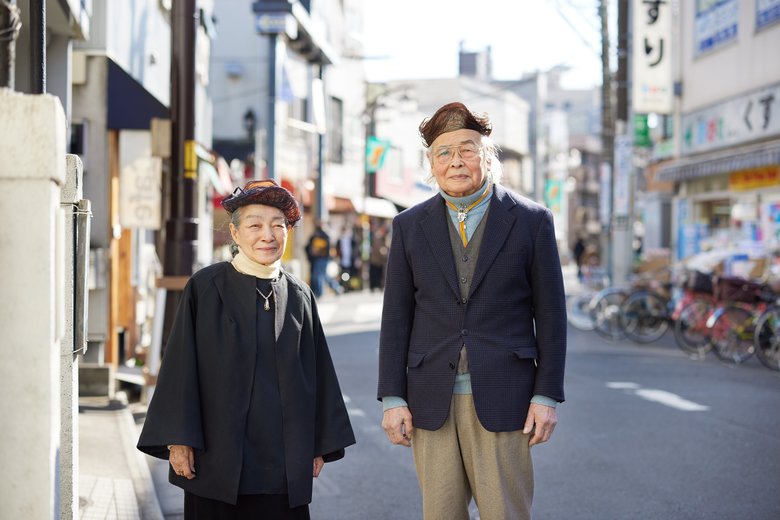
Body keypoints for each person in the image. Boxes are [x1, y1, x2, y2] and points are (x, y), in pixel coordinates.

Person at [377, 102, 567, 520]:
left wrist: (546, 394)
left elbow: (551, 315)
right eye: (444, 153)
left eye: (467, 149)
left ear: (486, 156)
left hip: (507, 396)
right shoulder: (409, 225)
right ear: (431, 164)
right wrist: (392, 397)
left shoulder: (531, 221)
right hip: (431, 397)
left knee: (506, 513)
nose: (456, 161)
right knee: (441, 513)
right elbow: (396, 318)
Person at [137, 179, 355, 519]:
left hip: (282, 464)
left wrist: (318, 444)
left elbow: (318, 373)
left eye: (277, 226)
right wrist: (178, 439)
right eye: (255, 225)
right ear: (235, 234)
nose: (267, 236)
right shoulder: (205, 287)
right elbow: (180, 367)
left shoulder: (300, 295)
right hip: (216, 457)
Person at [305, 220, 332, 298]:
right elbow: (308, 247)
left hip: (322, 258)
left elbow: (327, 248)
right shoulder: (314, 236)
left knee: (318, 276)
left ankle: (320, 292)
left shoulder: (324, 236)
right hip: (317, 259)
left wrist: (318, 251)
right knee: (322, 275)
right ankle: (336, 288)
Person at [369, 224, 389, 291]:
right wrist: (384, 252)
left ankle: (379, 286)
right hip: (376, 260)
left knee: (380, 274)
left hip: (380, 260)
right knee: (376, 274)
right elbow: (379, 248)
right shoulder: (378, 237)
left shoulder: (384, 237)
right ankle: (375, 287)